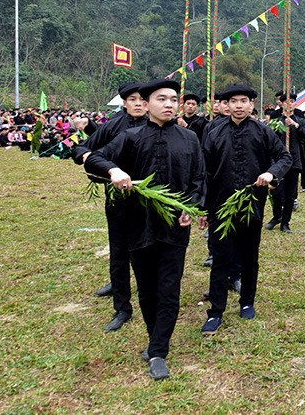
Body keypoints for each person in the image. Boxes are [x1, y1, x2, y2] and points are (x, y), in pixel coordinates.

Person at [85, 78, 205, 381]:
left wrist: (190, 207)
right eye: (161, 99)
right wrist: (114, 170)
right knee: (147, 288)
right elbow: (91, 157)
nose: (168, 104)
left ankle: (158, 351)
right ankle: (155, 338)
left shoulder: (189, 139)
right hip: (136, 225)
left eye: (173, 100)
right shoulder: (130, 137)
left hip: (174, 227)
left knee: (169, 288)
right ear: (147, 104)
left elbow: (199, 180)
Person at [200, 83, 291, 335]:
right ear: (226, 105)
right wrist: (203, 208)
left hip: (252, 205)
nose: (238, 106)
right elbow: (205, 171)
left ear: (252, 105)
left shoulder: (263, 132)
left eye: (244, 101)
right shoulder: (214, 131)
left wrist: (270, 174)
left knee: (250, 256)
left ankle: (247, 302)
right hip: (221, 206)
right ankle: (215, 311)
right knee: (221, 259)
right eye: (233, 101)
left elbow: (285, 157)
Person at [74, 81, 148, 331]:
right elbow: (84, 149)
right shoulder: (114, 126)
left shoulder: (158, 124)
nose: (139, 104)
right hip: (119, 199)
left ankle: (151, 297)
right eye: (133, 99)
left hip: (152, 200)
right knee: (119, 251)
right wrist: (88, 158)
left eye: (142, 99)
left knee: (148, 251)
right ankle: (122, 307)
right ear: (124, 103)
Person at [266, 93, 305, 233]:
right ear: (281, 103)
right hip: (278, 161)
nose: (289, 104)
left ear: (295, 104)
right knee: (276, 191)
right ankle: (276, 216)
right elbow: (269, 137)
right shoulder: (276, 118)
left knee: (291, 193)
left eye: (292, 101)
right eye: (286, 102)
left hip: (294, 160)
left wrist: (296, 125)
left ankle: (285, 222)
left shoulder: (300, 119)